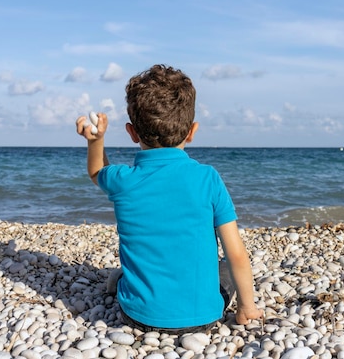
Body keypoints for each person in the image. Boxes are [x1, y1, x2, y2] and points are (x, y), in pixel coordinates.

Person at [76, 64, 262, 333]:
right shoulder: (207, 178)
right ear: (192, 131)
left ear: (132, 132)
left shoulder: (123, 179)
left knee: (126, 275)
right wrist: (247, 308)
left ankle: (122, 283)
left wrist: (96, 140)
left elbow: (96, 171)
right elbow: (236, 254)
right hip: (203, 318)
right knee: (223, 269)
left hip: (137, 316)